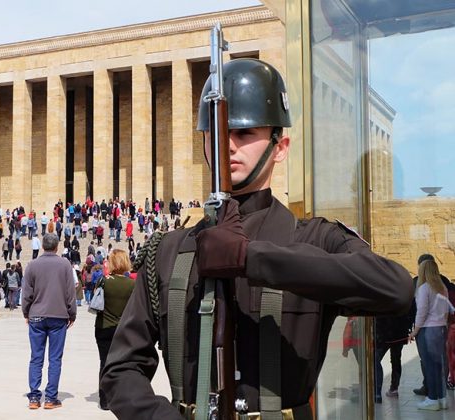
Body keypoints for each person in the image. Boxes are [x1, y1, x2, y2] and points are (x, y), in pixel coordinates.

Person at [99, 58, 413, 419]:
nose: (228, 146)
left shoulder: (315, 238)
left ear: (281, 147)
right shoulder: (168, 251)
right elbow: (120, 370)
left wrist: (251, 258)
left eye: (245, 133)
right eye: (217, 134)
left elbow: (396, 289)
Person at [22, 233, 76, 410]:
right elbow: (70, 292)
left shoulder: (32, 265)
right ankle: (51, 398)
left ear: (43, 246)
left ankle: (34, 398)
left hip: (36, 316)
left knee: (36, 357)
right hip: (58, 316)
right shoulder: (65, 264)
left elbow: (26, 293)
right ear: (57, 247)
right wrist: (72, 313)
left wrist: (26, 313)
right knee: (55, 358)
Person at [94, 249, 134, 410]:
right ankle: (122, 396)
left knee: (105, 362)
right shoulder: (132, 284)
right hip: (123, 328)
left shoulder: (104, 281)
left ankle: (105, 399)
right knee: (123, 363)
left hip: (103, 327)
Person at [408, 259, 451, 410]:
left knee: (430, 365)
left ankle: (432, 399)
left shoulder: (424, 288)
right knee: (439, 365)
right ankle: (442, 398)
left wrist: (414, 331)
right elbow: (446, 312)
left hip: (428, 330)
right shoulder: (442, 288)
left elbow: (421, 313)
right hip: (440, 328)